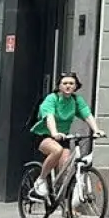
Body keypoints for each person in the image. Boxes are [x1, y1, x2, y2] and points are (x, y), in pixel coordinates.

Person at [30, 72, 102, 201]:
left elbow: (87, 115)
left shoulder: (76, 100)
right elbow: (49, 117)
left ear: (76, 86)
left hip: (63, 137)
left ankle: (61, 199)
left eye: (71, 83)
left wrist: (96, 130)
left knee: (65, 167)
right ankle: (40, 180)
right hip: (44, 135)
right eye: (65, 83)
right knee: (56, 150)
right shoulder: (52, 99)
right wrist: (54, 133)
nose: (68, 86)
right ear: (59, 86)